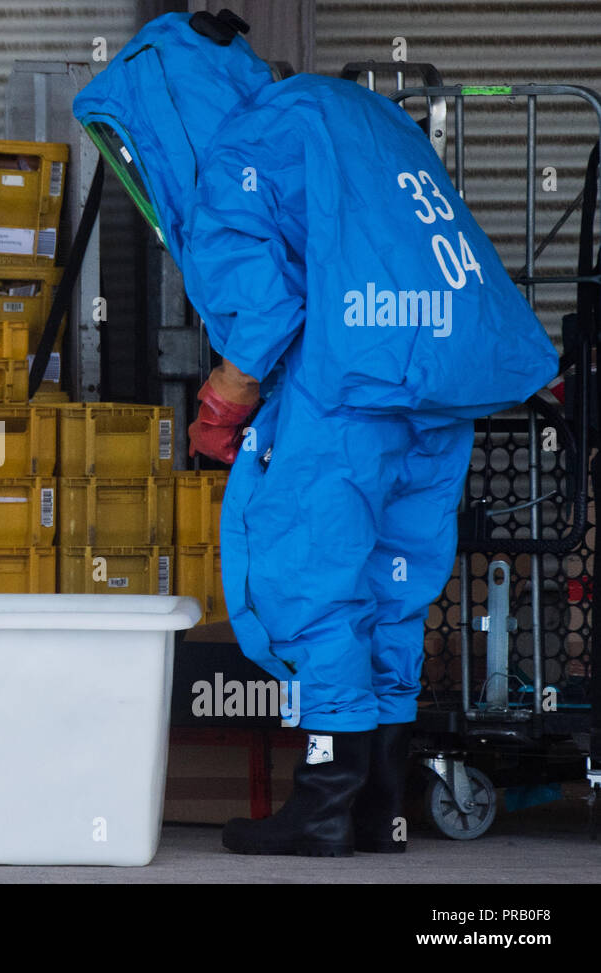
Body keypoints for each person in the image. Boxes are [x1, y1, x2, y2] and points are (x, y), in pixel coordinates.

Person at [75, 10, 558, 855]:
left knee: (311, 576)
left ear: (166, 110)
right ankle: (380, 802)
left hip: (348, 393)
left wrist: (222, 407)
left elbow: (262, 316)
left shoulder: (234, 153)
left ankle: (322, 805)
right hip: (435, 383)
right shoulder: (348, 112)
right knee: (392, 586)